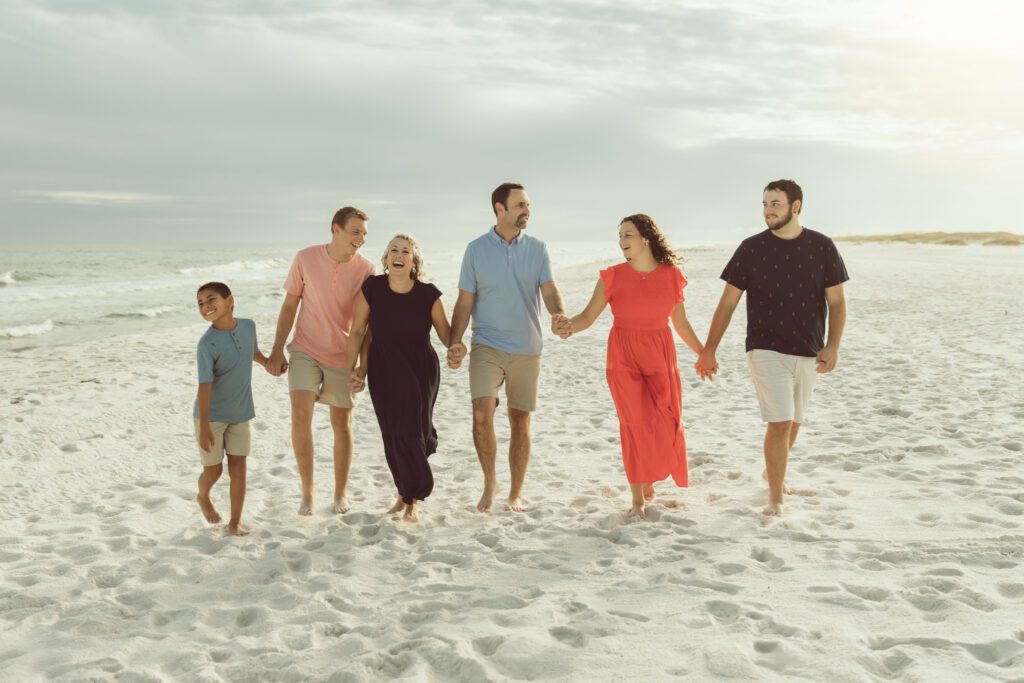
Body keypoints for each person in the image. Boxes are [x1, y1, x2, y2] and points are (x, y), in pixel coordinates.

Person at [696, 180, 849, 517]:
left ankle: (772, 472)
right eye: (765, 203)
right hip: (764, 348)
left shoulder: (822, 246)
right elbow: (727, 304)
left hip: (808, 349)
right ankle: (775, 497)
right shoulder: (751, 249)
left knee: (794, 422)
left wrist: (832, 345)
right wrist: (709, 349)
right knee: (779, 422)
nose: (768, 210)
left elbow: (837, 302)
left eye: (776, 203)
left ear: (796, 207)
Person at [562, 215, 706, 519]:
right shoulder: (611, 277)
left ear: (645, 238)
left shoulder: (671, 276)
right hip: (623, 354)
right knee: (635, 423)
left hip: (660, 353)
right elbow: (586, 318)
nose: (622, 241)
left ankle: (649, 473)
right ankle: (638, 496)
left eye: (627, 234)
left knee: (667, 419)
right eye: (620, 236)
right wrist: (566, 327)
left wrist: (703, 352)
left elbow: (680, 322)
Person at [447, 182, 571, 513]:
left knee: (520, 420)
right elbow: (465, 300)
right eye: (519, 205)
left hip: (528, 347)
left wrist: (558, 313)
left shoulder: (538, 248)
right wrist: (454, 341)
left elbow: (549, 289)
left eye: (527, 204)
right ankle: (490, 482)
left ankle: (515, 493)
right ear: (499, 209)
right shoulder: (475, 250)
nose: (526, 210)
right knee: (481, 415)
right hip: (486, 343)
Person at [264, 207, 375, 516]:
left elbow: (367, 327)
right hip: (305, 349)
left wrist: (362, 367)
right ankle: (308, 493)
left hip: (343, 355)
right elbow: (289, 307)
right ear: (335, 229)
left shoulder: (367, 270)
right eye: (356, 232)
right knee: (300, 415)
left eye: (365, 234)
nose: (361, 239)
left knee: (342, 423)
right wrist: (276, 350)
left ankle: (340, 493)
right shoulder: (305, 258)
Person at [346, 234, 453, 522]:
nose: (399, 254)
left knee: (410, 430)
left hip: (420, 368)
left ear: (414, 261)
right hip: (383, 367)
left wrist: (458, 347)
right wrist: (355, 370)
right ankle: (404, 492)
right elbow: (359, 332)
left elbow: (447, 334)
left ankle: (413, 499)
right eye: (393, 249)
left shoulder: (429, 294)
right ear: (386, 258)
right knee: (392, 433)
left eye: (406, 251)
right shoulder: (373, 288)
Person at [193, 282, 268, 536]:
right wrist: (203, 427)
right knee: (213, 470)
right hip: (211, 416)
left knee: (239, 468)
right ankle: (203, 496)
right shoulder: (207, 345)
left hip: (241, 411)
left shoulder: (248, 326)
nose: (206, 306)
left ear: (230, 300)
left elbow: (251, 351)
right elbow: (204, 387)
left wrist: (268, 363)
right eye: (201, 303)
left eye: (211, 299)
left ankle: (234, 522)